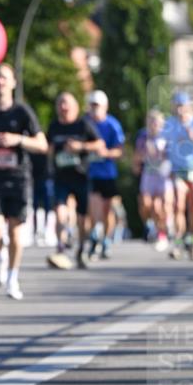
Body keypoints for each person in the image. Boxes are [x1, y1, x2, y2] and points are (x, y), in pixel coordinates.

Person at [0, 63, 47, 300]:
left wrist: (18, 140)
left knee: (15, 234)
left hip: (18, 178)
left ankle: (12, 277)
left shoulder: (22, 112)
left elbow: (42, 144)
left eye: (4, 78)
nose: (0, 82)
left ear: (13, 83)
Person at [46, 92, 102, 270]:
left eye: (67, 104)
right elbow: (46, 147)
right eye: (60, 104)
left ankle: (81, 250)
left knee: (82, 218)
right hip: (61, 177)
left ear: (75, 108)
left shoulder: (83, 125)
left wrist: (81, 147)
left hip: (81, 177)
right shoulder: (54, 126)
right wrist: (51, 150)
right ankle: (61, 248)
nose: (63, 108)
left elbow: (100, 144)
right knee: (60, 213)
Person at [164, 92, 193, 262]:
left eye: (182, 106)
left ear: (188, 107)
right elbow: (165, 145)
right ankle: (177, 241)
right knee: (179, 206)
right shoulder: (170, 124)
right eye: (176, 106)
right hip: (178, 170)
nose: (179, 110)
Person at [85, 89, 125, 260]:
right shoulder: (85, 123)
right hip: (90, 172)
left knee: (107, 211)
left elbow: (119, 151)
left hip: (108, 173)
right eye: (92, 106)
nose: (94, 109)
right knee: (93, 207)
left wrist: (106, 153)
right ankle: (95, 235)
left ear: (105, 107)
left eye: (97, 106)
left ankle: (106, 240)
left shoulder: (112, 125)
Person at [133, 108, 173, 252]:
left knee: (159, 206)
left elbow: (170, 156)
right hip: (148, 174)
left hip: (163, 175)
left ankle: (162, 233)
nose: (153, 125)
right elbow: (137, 155)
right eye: (151, 122)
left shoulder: (166, 137)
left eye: (156, 123)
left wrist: (158, 153)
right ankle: (150, 225)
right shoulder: (143, 136)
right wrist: (138, 162)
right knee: (145, 203)